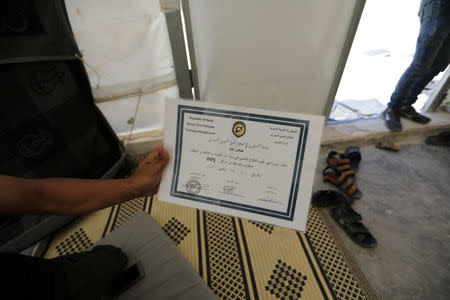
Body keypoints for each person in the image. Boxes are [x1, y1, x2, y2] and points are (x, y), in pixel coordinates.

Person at [0, 145, 169, 300]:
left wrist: (132, 186)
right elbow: (35, 196)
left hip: (38, 273)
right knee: (109, 260)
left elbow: (34, 195)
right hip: (57, 288)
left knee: (110, 257)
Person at [381, 0, 450, 132]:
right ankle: (392, 108)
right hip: (439, 8)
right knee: (420, 66)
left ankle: (406, 106)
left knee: (439, 64)